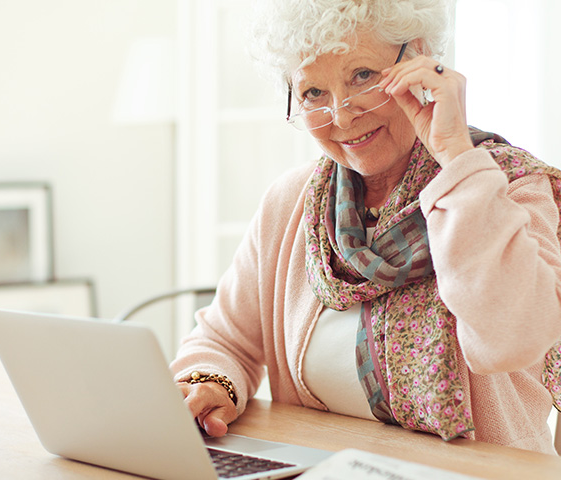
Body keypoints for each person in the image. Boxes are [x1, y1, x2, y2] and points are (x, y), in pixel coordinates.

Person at [170, 0, 561, 454]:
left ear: (417, 57)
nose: (342, 116)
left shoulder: (507, 185)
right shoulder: (293, 201)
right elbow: (225, 338)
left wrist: (455, 154)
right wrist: (210, 385)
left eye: (362, 76)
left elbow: (511, 338)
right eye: (314, 92)